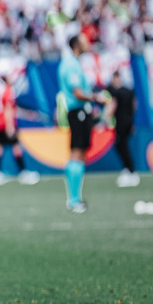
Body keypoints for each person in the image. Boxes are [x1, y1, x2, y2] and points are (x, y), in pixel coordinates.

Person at [57, 33, 108, 213]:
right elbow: (77, 92)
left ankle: (74, 197)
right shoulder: (70, 65)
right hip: (77, 111)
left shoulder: (75, 63)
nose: (87, 43)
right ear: (76, 44)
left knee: (79, 153)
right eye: (84, 41)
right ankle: (73, 199)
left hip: (81, 111)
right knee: (77, 153)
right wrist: (95, 97)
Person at [0, 76, 39, 185]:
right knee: (15, 147)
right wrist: (10, 126)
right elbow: (8, 108)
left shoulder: (0, 89)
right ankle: (22, 171)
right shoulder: (8, 90)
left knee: (1, 146)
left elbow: (12, 108)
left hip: (0, 123)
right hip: (6, 124)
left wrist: (27, 114)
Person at [107, 71, 139, 187]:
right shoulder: (128, 91)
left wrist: (105, 118)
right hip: (128, 122)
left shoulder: (116, 92)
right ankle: (128, 169)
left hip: (121, 123)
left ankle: (130, 170)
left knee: (122, 146)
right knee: (121, 145)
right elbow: (135, 105)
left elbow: (112, 105)